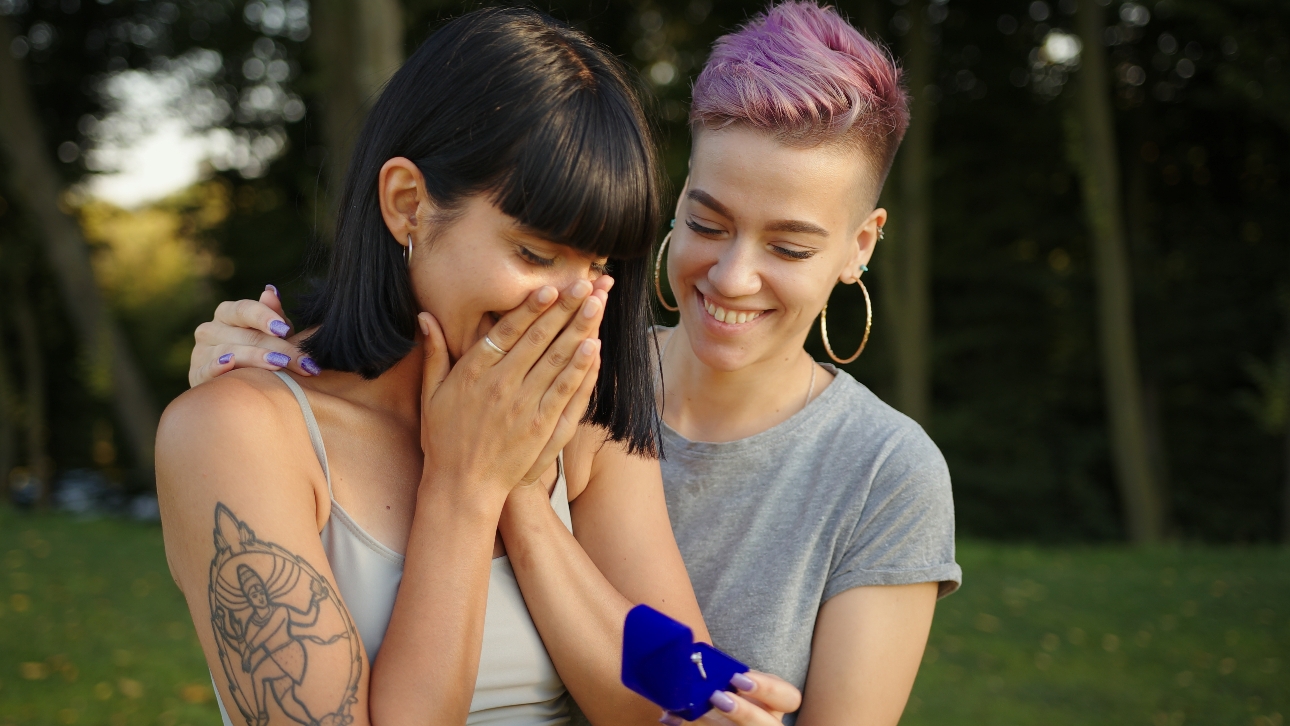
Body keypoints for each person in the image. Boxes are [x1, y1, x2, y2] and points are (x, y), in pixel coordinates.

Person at [187, 3, 961, 724]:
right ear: (406, 204)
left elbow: (667, 693)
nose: (566, 303)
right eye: (533, 253)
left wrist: (517, 491)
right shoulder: (245, 428)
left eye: (593, 264)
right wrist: (465, 486)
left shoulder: (585, 406)